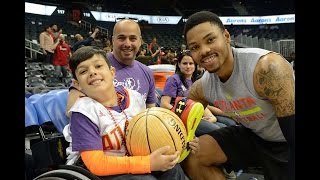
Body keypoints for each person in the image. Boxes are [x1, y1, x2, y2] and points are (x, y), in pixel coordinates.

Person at [181, 11, 295, 180]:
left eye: (210, 40)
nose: (204, 50)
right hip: (254, 135)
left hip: (286, 141)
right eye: (195, 47)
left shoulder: (267, 68)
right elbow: (177, 123)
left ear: (226, 36)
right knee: (192, 156)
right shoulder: (201, 88)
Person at [63, 46, 198, 179]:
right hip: (97, 171)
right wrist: (148, 163)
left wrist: (180, 140)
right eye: (83, 71)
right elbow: (96, 164)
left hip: (134, 158)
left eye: (98, 66)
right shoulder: (82, 113)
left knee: (172, 168)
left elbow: (150, 133)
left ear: (112, 72)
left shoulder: (134, 97)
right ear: (77, 84)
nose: (92, 72)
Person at [66, 19, 157, 116]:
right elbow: (71, 112)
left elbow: (150, 113)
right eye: (121, 38)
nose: (127, 44)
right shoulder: (94, 65)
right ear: (113, 40)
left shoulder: (147, 72)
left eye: (132, 38)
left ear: (140, 41)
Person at [160, 50, 225, 131]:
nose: (188, 66)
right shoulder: (173, 80)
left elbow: (202, 105)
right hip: (180, 118)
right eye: (184, 63)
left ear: (195, 66)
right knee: (217, 129)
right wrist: (189, 116)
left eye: (191, 63)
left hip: (195, 115)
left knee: (227, 125)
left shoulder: (195, 82)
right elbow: (164, 104)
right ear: (179, 65)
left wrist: (214, 116)